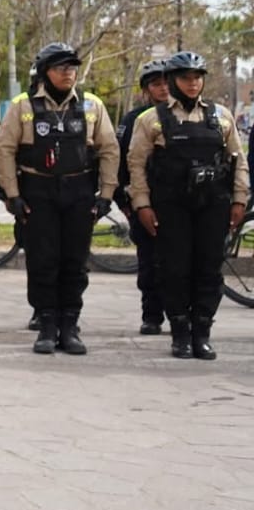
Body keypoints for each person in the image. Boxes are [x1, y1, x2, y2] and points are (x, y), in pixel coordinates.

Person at [0, 42, 120, 356]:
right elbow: (5, 150)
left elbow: (109, 150)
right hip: (38, 191)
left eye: (72, 67)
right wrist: (13, 195)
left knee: (74, 262)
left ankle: (70, 326)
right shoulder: (23, 105)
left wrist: (106, 195)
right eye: (61, 67)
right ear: (44, 72)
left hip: (79, 192)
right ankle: (47, 325)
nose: (68, 73)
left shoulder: (92, 105)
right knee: (42, 261)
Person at [126, 51, 249, 360]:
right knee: (175, 270)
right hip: (171, 206)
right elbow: (136, 166)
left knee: (208, 269)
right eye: (186, 78)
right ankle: (180, 333)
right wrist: (141, 205)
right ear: (171, 81)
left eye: (197, 77)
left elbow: (238, 159)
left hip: (213, 205)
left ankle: (202, 332)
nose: (193, 84)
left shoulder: (220, 116)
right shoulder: (151, 119)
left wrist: (239, 199)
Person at [115, 58, 173, 336]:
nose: (163, 89)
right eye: (156, 84)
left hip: (182, 205)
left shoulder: (195, 116)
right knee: (149, 265)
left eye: (166, 82)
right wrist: (125, 204)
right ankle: (152, 316)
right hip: (144, 205)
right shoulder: (133, 120)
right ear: (146, 90)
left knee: (181, 266)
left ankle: (181, 317)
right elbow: (119, 165)